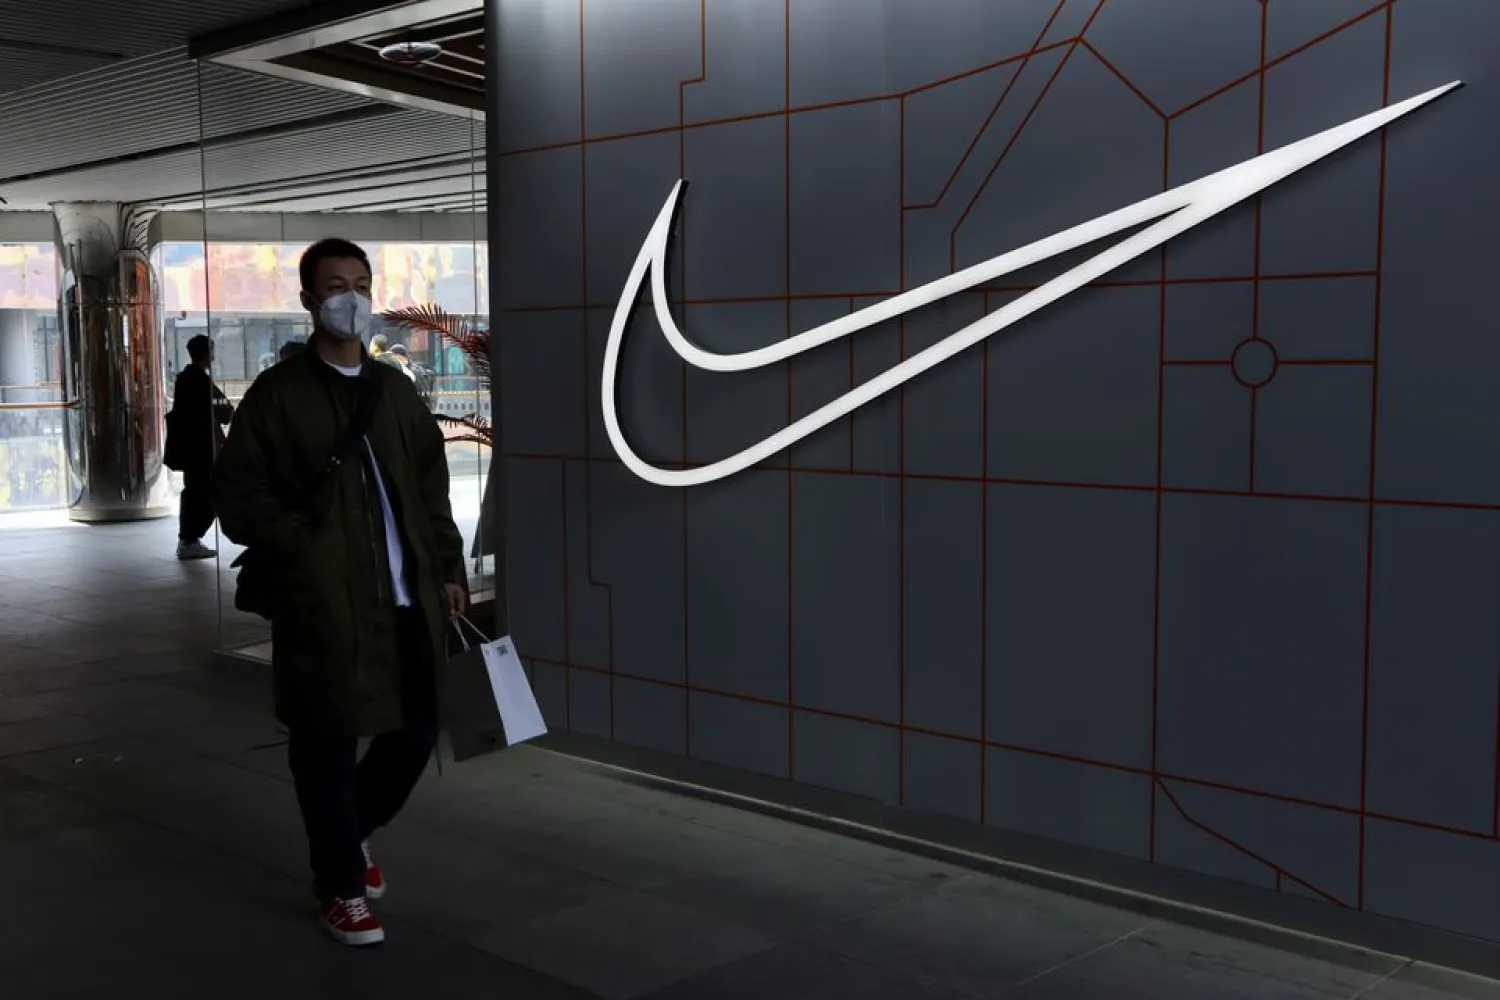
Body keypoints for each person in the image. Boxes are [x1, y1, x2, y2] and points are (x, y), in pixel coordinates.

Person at [212, 237, 468, 948]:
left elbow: (429, 486)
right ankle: (341, 888)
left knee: (415, 732)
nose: (350, 297)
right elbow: (238, 495)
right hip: (323, 600)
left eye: (360, 282)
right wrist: (300, 547)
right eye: (334, 285)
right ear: (307, 301)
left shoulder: (394, 390)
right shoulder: (279, 394)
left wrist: (446, 566)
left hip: (405, 596)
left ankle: (345, 836)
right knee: (325, 740)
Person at [164, 334, 233, 560]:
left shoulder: (183, 379)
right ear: (207, 353)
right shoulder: (202, 381)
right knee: (205, 493)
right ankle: (190, 538)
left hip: (191, 448)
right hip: (204, 448)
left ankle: (188, 539)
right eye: (212, 350)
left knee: (193, 491)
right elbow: (225, 411)